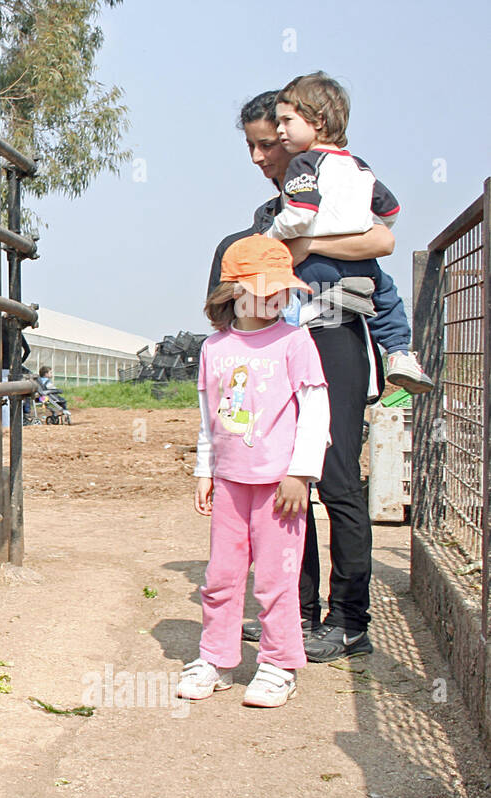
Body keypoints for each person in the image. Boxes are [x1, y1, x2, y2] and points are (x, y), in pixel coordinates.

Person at [210, 90, 390, 662]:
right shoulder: (266, 219)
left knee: (335, 477)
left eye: (271, 140)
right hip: (276, 347)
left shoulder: (338, 191)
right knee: (283, 479)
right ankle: (297, 610)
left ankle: (350, 618)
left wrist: (300, 240)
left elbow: (382, 239)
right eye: (254, 146)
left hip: (333, 335)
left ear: (300, 135)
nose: (263, 154)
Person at [179, 235, 330, 708]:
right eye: (262, 290)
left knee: (275, 576)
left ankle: (279, 663)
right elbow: (210, 416)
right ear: (232, 293)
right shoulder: (214, 349)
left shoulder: (295, 340)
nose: (273, 299)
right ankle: (216, 657)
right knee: (221, 574)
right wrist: (205, 469)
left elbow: (315, 407)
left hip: (279, 485)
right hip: (229, 481)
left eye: (280, 290)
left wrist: (300, 473)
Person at [265, 72, 432, 393]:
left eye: (286, 120)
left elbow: (300, 216)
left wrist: (273, 235)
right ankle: (399, 353)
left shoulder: (304, 164)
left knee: (307, 306)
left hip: (316, 265)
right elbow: (391, 210)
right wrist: (358, 225)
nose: (280, 130)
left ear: (318, 120)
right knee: (386, 297)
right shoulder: (358, 166)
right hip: (362, 262)